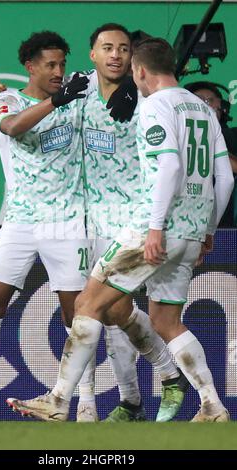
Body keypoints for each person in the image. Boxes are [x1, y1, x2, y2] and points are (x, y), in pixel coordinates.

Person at [16, 37, 234, 423]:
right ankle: (212, 405)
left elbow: (167, 167)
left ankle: (59, 401)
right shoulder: (202, 108)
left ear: (141, 71)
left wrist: (154, 229)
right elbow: (225, 178)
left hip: (153, 230)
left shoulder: (155, 107)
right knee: (167, 322)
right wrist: (208, 230)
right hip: (191, 231)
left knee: (87, 304)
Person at [0, 31, 92, 423]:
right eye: (50, 65)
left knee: (78, 317)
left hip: (68, 222)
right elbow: (14, 128)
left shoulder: (78, 96)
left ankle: (86, 405)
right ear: (30, 66)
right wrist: (58, 100)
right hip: (20, 223)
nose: (59, 72)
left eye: (62, 64)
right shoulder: (9, 100)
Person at [184, 81, 237, 227]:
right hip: (184, 221)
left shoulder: (231, 135)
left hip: (222, 225)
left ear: (222, 108)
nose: (206, 106)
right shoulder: (178, 135)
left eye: (210, 101)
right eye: (199, 101)